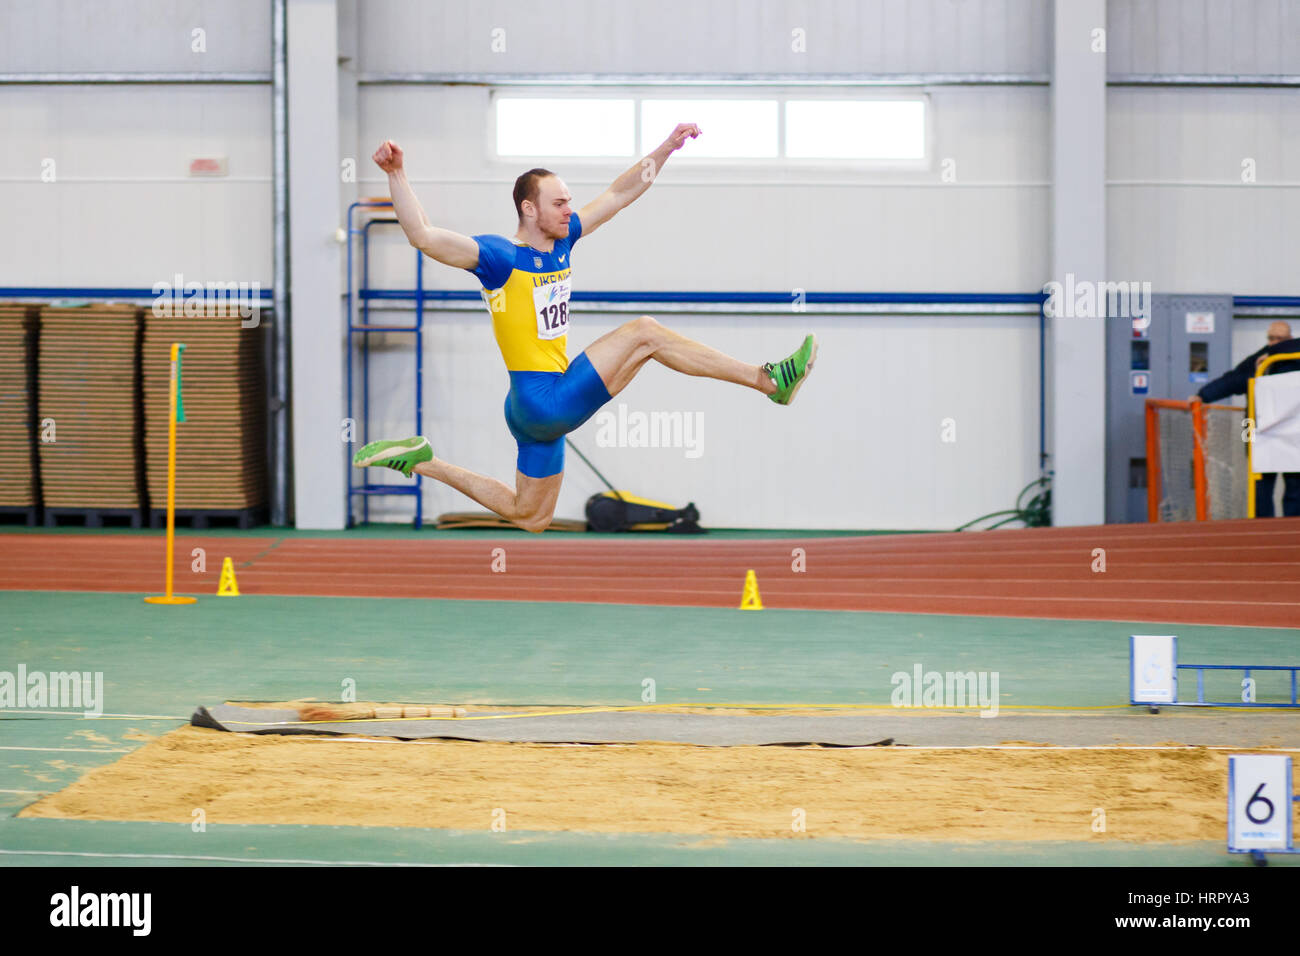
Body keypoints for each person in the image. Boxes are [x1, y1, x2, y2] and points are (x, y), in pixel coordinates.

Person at [352, 124, 817, 532]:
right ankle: (768, 379)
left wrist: (666, 148)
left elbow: (618, 194)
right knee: (644, 333)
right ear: (529, 209)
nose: (569, 210)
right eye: (559, 203)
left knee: (530, 517)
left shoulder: (564, 240)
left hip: (529, 412)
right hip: (543, 400)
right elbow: (425, 237)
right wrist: (396, 173)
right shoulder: (500, 257)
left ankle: (424, 461)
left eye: (570, 202)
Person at [1195, 321, 1300, 517]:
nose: (1274, 343)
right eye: (1271, 338)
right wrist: (1202, 395)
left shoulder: (1290, 356)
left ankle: (1292, 530)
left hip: (1293, 431)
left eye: (1281, 339)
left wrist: (1276, 352)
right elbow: (1233, 379)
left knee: (1296, 484)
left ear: (1290, 339)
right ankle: (1263, 529)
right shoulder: (1257, 360)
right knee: (1259, 483)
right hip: (1252, 425)